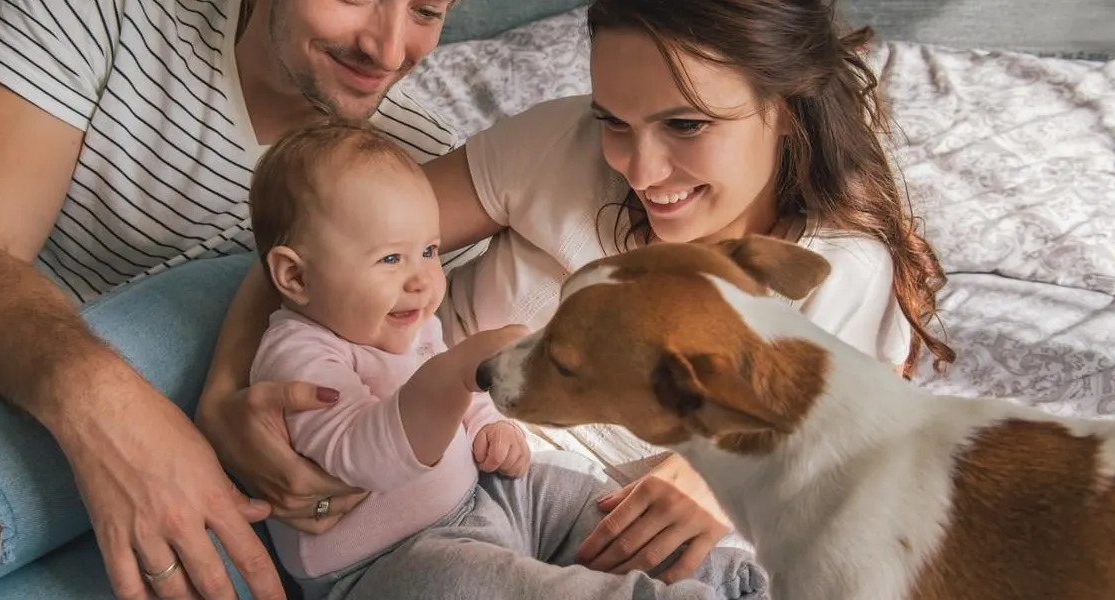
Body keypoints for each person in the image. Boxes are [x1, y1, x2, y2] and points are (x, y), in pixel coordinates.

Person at [202, 0, 958, 586]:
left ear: (785, 106)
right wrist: (225, 394)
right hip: (392, 473)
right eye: (614, 121)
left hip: (573, 530)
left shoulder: (838, 271)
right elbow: (323, 240)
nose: (641, 169)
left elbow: (852, 447)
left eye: (686, 124)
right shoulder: (560, 147)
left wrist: (720, 475)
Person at [0, 0, 467, 598]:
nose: (388, 51)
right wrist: (112, 413)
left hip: (208, 510)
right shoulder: (102, 13)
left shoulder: (419, 166)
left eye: (425, 10)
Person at [243, 119, 765, 599]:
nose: (423, 278)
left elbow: (462, 409)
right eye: (390, 259)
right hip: (387, 565)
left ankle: (729, 581)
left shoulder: (407, 322)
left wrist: (491, 427)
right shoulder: (299, 355)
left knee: (573, 493)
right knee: (490, 586)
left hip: (481, 500)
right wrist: (457, 374)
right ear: (295, 277)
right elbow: (364, 459)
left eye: (428, 251)